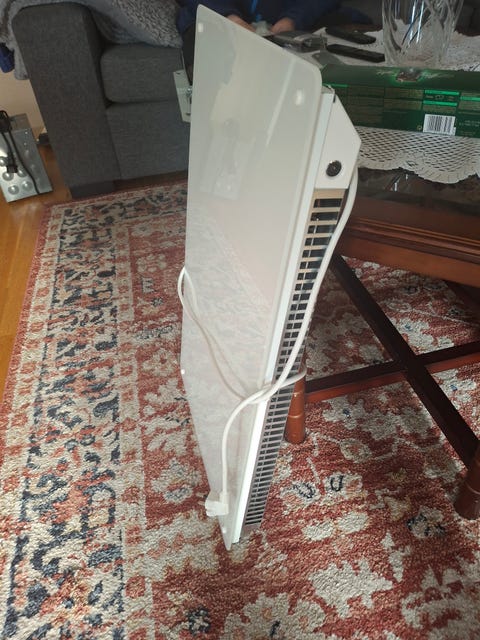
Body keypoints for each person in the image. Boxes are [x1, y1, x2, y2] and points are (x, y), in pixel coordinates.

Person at [177, 0, 356, 81]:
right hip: (216, 19)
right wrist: (230, 18)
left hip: (293, 24)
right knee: (207, 50)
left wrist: (292, 19)